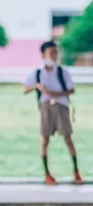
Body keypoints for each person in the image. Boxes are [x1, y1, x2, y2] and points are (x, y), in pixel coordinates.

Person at [23, 41, 83, 185]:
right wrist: (38, 87)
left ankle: (76, 171)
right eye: (51, 53)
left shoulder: (62, 72)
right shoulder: (37, 73)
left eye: (56, 52)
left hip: (61, 106)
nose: (55, 56)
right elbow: (25, 88)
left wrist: (56, 94)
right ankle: (47, 173)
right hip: (46, 107)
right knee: (45, 139)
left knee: (68, 137)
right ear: (43, 54)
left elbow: (71, 89)